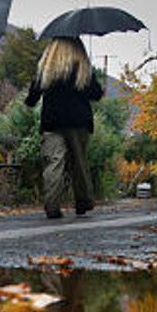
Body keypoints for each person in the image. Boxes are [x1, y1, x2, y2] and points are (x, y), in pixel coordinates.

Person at [24, 37, 103, 219]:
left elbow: (33, 96)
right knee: (79, 163)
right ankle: (82, 203)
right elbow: (96, 94)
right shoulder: (82, 67)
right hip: (78, 122)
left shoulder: (47, 67)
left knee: (54, 163)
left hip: (52, 121)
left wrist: (30, 101)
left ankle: (52, 206)